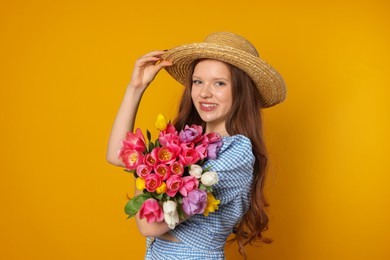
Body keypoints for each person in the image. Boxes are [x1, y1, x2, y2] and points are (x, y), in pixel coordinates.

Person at [106, 32, 287, 259]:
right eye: (197, 81)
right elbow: (117, 154)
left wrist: (149, 163)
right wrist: (136, 88)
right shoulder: (187, 141)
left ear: (241, 91)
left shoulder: (236, 153)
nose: (204, 93)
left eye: (219, 83)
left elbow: (149, 226)